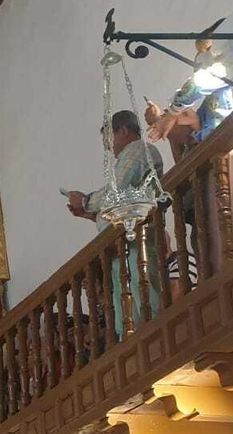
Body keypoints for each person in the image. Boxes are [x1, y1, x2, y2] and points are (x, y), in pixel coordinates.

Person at [67, 109, 165, 334]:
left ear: (123, 130)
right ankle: (133, 340)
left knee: (141, 291)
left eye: (109, 139)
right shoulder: (131, 154)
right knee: (126, 298)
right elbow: (120, 200)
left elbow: (116, 191)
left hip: (135, 235)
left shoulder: (137, 149)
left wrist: (84, 200)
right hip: (121, 240)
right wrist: (92, 215)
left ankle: (152, 335)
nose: (108, 147)